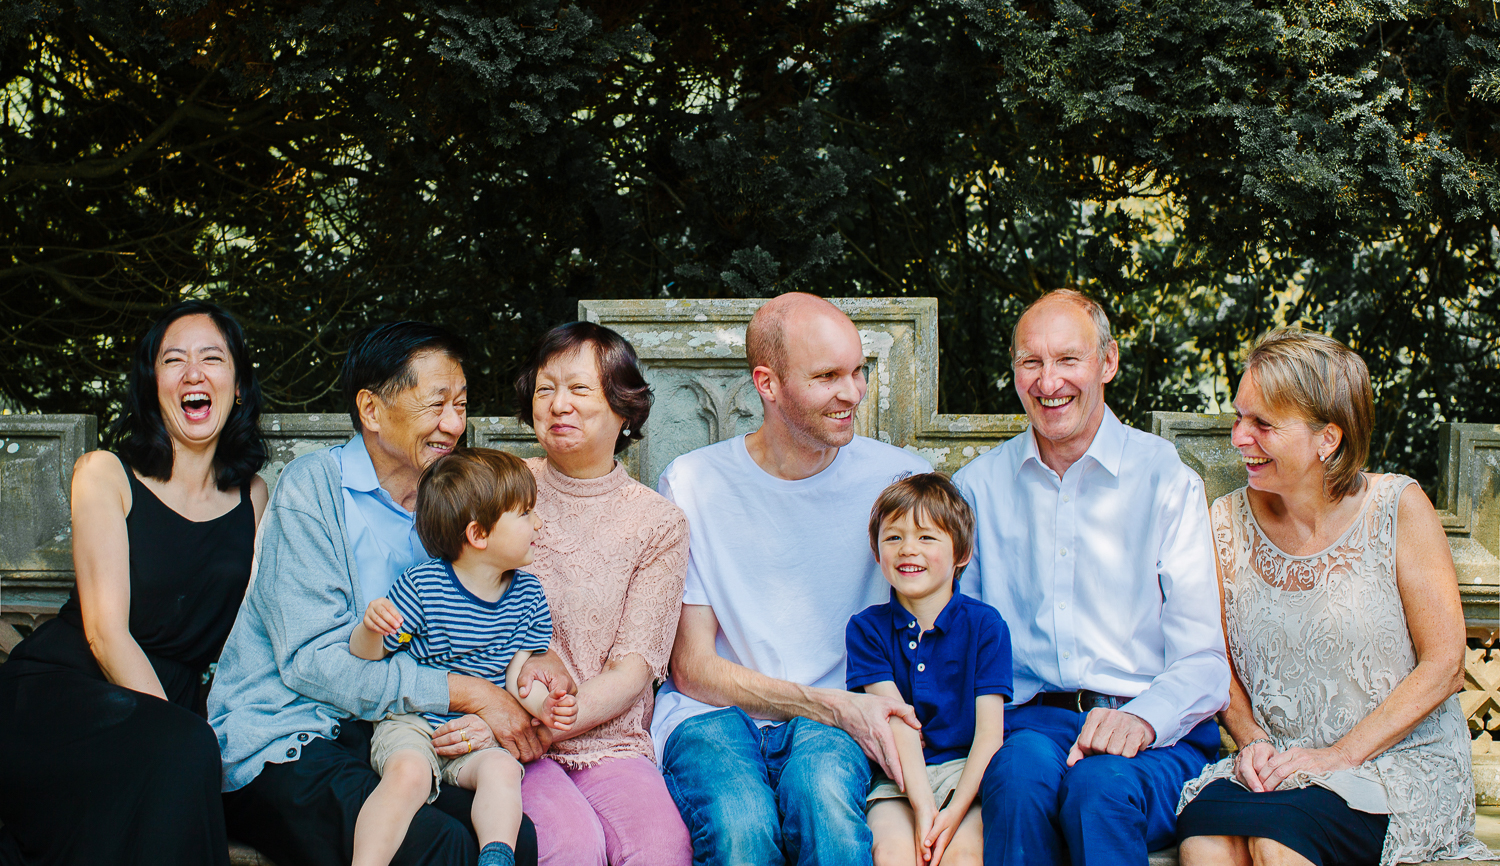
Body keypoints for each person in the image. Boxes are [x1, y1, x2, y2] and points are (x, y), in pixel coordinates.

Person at [209, 322, 555, 866]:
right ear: (371, 409)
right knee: (434, 849)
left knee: (518, 842)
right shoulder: (312, 490)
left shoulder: (455, 505)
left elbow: (478, 637)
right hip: (288, 732)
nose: (453, 425)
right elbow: (310, 665)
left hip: (395, 733)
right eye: (436, 404)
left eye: (461, 406)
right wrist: (467, 694)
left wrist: (490, 706)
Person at [1175, 328, 1493, 866]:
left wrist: (1338, 757)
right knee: (1205, 842)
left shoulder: (1398, 507)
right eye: (1238, 417)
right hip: (1278, 768)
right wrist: (1252, 741)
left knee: (1278, 845)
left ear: (1328, 439)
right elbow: (1215, 656)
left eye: (1263, 424)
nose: (1239, 438)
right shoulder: (1224, 522)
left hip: (1396, 768)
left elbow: (1445, 664)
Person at [652, 292, 931, 866]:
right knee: (740, 827)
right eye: (827, 376)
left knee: (824, 807)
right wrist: (829, 706)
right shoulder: (694, 484)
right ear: (768, 384)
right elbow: (692, 669)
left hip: (836, 723)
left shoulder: (897, 482)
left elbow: (937, 628)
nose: (851, 393)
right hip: (710, 716)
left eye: (857, 372)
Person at [952, 288, 1230, 865]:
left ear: (1108, 363)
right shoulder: (978, 489)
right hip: (1030, 724)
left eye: (1068, 360)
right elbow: (964, 644)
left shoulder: (1164, 480)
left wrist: (1141, 720)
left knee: (1098, 790)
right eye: (1031, 362)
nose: (1048, 381)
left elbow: (1203, 661)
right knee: (1021, 777)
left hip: (1153, 728)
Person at [0, 300, 269, 865]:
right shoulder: (105, 473)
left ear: (238, 385)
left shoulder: (254, 498)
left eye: (211, 359)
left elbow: (252, 636)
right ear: (152, 388)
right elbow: (104, 633)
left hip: (167, 710)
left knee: (182, 761)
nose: (193, 373)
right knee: (183, 754)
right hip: (65, 690)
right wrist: (178, 730)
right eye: (174, 361)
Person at [511, 321, 694, 866]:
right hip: (508, 735)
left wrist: (551, 725)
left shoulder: (657, 522)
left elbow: (635, 667)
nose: (558, 405)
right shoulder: (501, 487)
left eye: (579, 389)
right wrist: (518, 723)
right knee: (569, 846)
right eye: (546, 389)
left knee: (661, 851)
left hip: (609, 742)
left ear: (623, 409)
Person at [348, 448, 576, 866]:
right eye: (525, 514)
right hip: (413, 722)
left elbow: (517, 680)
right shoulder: (423, 586)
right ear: (478, 535)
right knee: (408, 776)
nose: (538, 523)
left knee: (502, 772)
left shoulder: (527, 596)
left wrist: (546, 707)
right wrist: (369, 628)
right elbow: (370, 655)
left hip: (475, 738)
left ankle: (496, 856)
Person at [846, 473, 1011, 866]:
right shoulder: (866, 629)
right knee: (892, 854)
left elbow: (990, 736)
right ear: (876, 551)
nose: (908, 550)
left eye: (926, 537)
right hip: (898, 780)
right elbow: (898, 726)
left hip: (966, 776)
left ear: (961, 553)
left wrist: (951, 814)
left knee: (965, 857)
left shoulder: (987, 626)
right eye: (894, 537)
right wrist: (923, 809)